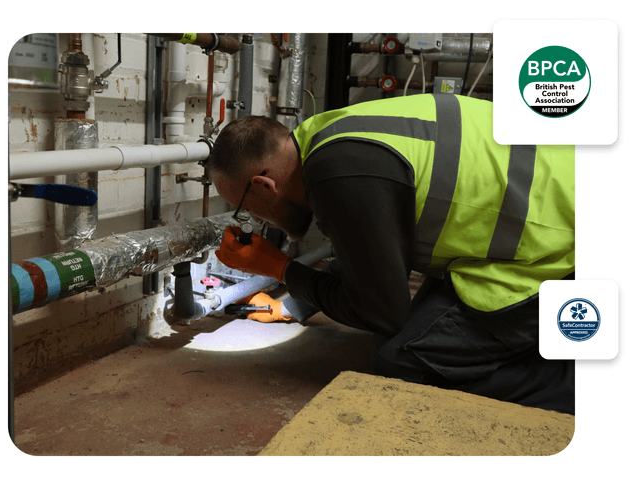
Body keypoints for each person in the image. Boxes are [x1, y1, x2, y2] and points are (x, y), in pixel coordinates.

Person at [210, 93, 575, 415]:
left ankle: (576, 383)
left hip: (562, 248)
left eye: (245, 207)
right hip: (546, 216)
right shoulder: (325, 138)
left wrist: (278, 267)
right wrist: (293, 304)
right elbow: (370, 252)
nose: (253, 219)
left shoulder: (338, 175)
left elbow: (381, 312)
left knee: (399, 360)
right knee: (416, 331)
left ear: (263, 184)